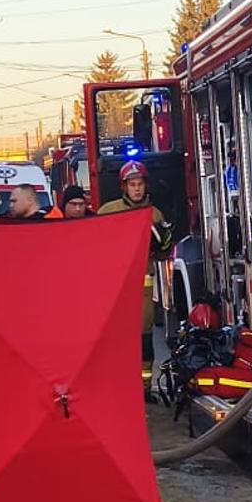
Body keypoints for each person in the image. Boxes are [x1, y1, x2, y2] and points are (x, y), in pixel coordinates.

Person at [98, 161, 173, 381]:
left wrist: (165, 243)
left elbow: (162, 256)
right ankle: (118, 383)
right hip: (114, 287)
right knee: (116, 338)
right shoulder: (108, 212)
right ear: (124, 186)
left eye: (139, 184)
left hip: (143, 287)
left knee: (144, 338)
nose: (137, 189)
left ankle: (145, 388)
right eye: (132, 184)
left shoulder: (155, 215)